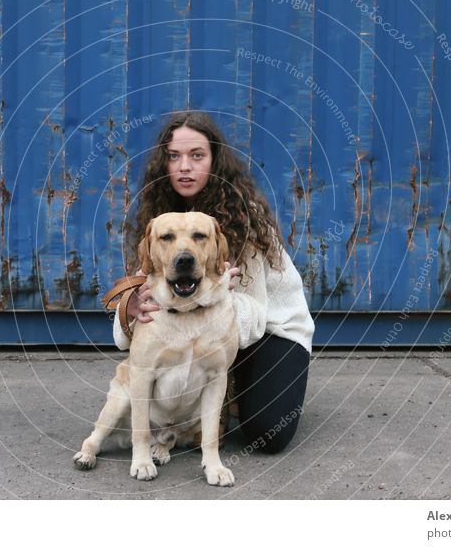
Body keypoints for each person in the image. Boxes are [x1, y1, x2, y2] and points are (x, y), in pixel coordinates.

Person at [113, 111, 314, 453]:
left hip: (270, 331)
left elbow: (254, 320)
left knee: (268, 433)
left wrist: (219, 294)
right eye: (174, 157)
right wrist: (129, 309)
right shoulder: (160, 218)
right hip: (211, 328)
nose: (184, 167)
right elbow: (137, 321)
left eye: (197, 155)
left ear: (215, 160)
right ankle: (214, 391)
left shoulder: (242, 216)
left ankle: (234, 390)